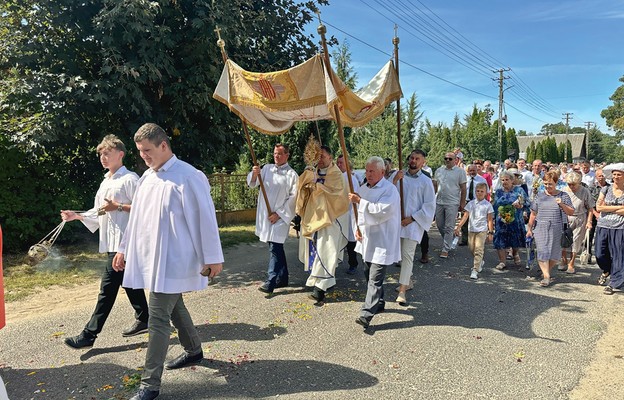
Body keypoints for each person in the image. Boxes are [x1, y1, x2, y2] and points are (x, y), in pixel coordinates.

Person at [113, 123, 224, 400]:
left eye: (147, 151)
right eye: (140, 152)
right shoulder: (147, 178)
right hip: (151, 259)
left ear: (164, 145)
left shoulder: (188, 176)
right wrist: (123, 248)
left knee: (158, 316)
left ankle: (149, 385)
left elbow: (205, 218)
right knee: (175, 307)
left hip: (176, 259)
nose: (143, 157)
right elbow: (137, 218)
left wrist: (213, 257)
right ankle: (194, 351)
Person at [60, 134, 149, 349]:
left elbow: (144, 209)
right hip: (112, 243)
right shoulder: (105, 181)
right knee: (128, 282)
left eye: (107, 153)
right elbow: (100, 211)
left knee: (107, 290)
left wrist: (118, 207)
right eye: (101, 154)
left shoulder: (130, 179)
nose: (103, 157)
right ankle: (145, 318)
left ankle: (89, 335)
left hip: (125, 243)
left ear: (120, 154)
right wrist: (78, 215)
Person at [349, 156, 401, 329]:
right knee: (367, 272)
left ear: (382, 172)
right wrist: (356, 227)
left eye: (372, 171)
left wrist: (360, 202)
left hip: (382, 240)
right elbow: (356, 212)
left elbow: (381, 212)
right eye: (367, 170)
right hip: (367, 239)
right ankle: (379, 301)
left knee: (374, 278)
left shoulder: (389, 190)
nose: (368, 174)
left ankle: (366, 314)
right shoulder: (363, 188)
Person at [296, 146, 349, 304]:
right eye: (317, 157)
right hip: (313, 217)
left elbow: (338, 195)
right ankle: (324, 282)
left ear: (330, 157)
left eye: (323, 156)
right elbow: (301, 191)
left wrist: (316, 186)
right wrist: (306, 181)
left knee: (326, 251)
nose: (320, 160)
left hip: (330, 219)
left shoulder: (336, 175)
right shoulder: (313, 171)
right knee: (315, 250)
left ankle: (320, 289)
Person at [248, 144, 298, 294]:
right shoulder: (267, 169)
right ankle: (283, 278)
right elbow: (252, 184)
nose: (276, 156)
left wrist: (279, 214)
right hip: (267, 215)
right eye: (275, 153)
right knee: (275, 246)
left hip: (281, 217)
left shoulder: (292, 175)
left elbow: (293, 198)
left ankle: (270, 281)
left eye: (280, 154)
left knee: (274, 247)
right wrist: (255, 173)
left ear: (287, 155)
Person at [391, 150, 435, 305]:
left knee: (408, 255)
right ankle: (407, 281)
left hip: (413, 223)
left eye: (417, 159)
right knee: (401, 256)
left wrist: (412, 218)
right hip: (397, 221)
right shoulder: (399, 175)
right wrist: (395, 180)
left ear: (423, 162)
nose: (413, 161)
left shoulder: (425, 181)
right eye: (411, 158)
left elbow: (429, 205)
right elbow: (387, 192)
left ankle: (402, 291)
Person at [526, 170, 574, 287]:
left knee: (555, 254)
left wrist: (561, 204)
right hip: (541, 227)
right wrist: (529, 229)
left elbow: (571, 212)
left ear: (556, 183)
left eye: (550, 184)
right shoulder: (540, 196)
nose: (548, 186)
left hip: (557, 227)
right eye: (546, 184)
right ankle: (547, 276)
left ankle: (545, 271)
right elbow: (533, 213)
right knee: (542, 251)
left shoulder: (563, 195)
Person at [594, 163, 624, 294]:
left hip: (620, 227)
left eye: (619, 174)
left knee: (618, 256)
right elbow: (599, 207)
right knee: (599, 254)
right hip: (603, 225)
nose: (616, 177)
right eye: (614, 174)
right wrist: (618, 208)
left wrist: (607, 207)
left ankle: (614, 283)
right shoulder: (606, 189)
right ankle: (607, 270)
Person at [454, 183, 494, 279]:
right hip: (471, 229)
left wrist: (491, 232)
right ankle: (480, 261)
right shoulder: (471, 204)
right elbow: (465, 216)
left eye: (482, 191)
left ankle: (475, 269)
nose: (479, 193)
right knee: (471, 248)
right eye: (477, 191)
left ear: (485, 193)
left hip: (482, 230)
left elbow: (489, 220)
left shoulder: (487, 205)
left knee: (478, 249)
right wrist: (458, 227)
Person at [492, 171, 529, 270]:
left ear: (512, 180)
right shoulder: (499, 191)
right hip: (501, 220)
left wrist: (521, 206)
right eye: (502, 180)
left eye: (507, 179)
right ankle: (502, 262)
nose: (504, 182)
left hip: (515, 219)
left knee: (515, 240)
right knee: (500, 240)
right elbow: (495, 205)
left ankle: (515, 253)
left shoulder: (519, 190)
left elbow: (526, 202)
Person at [433, 152, 467, 258]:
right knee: (439, 224)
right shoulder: (439, 170)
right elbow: (434, 185)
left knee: (449, 226)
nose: (447, 160)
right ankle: (450, 238)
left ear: (455, 160)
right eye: (446, 158)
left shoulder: (460, 172)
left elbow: (463, 188)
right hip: (439, 201)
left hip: (452, 202)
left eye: (450, 159)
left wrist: (462, 202)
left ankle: (445, 248)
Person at [560, 172, 594, 274]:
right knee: (563, 240)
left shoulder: (585, 191)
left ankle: (572, 263)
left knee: (576, 241)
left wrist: (589, 221)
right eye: (569, 184)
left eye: (573, 184)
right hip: (565, 218)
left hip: (579, 218)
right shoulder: (563, 191)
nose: (571, 186)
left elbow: (591, 208)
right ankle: (563, 259)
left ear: (579, 182)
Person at [336, 154, 361, 274]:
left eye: (341, 163)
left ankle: (353, 263)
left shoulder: (351, 179)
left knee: (351, 241)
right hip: (338, 213)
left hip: (349, 212)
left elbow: (355, 195)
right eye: (338, 162)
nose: (339, 165)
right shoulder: (336, 177)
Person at [461, 164, 488, 244]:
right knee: (464, 221)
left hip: (477, 202)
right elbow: (461, 191)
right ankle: (465, 240)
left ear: (477, 170)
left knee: (477, 220)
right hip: (466, 202)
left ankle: (477, 239)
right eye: (470, 171)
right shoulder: (464, 179)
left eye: (474, 170)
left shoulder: (482, 180)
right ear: (468, 171)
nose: (472, 172)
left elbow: (486, 192)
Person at [589, 168, 610, 267]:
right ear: (596, 177)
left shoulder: (610, 187)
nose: (601, 178)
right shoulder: (591, 187)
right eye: (599, 176)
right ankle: (588, 253)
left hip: (606, 214)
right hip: (592, 213)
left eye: (602, 176)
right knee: (590, 234)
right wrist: (595, 213)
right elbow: (589, 203)